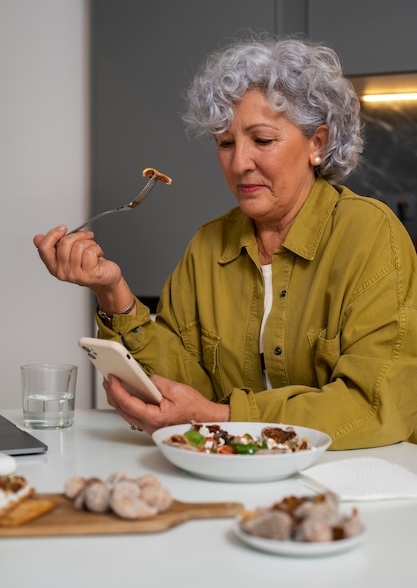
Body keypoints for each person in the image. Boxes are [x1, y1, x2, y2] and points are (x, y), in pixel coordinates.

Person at [34, 34, 417, 450]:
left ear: (317, 144)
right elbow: (186, 386)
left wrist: (222, 417)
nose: (239, 164)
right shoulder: (208, 245)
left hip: (354, 483)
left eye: (263, 141)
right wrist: (112, 293)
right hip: (232, 474)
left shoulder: (370, 235)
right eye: (226, 143)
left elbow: (377, 405)